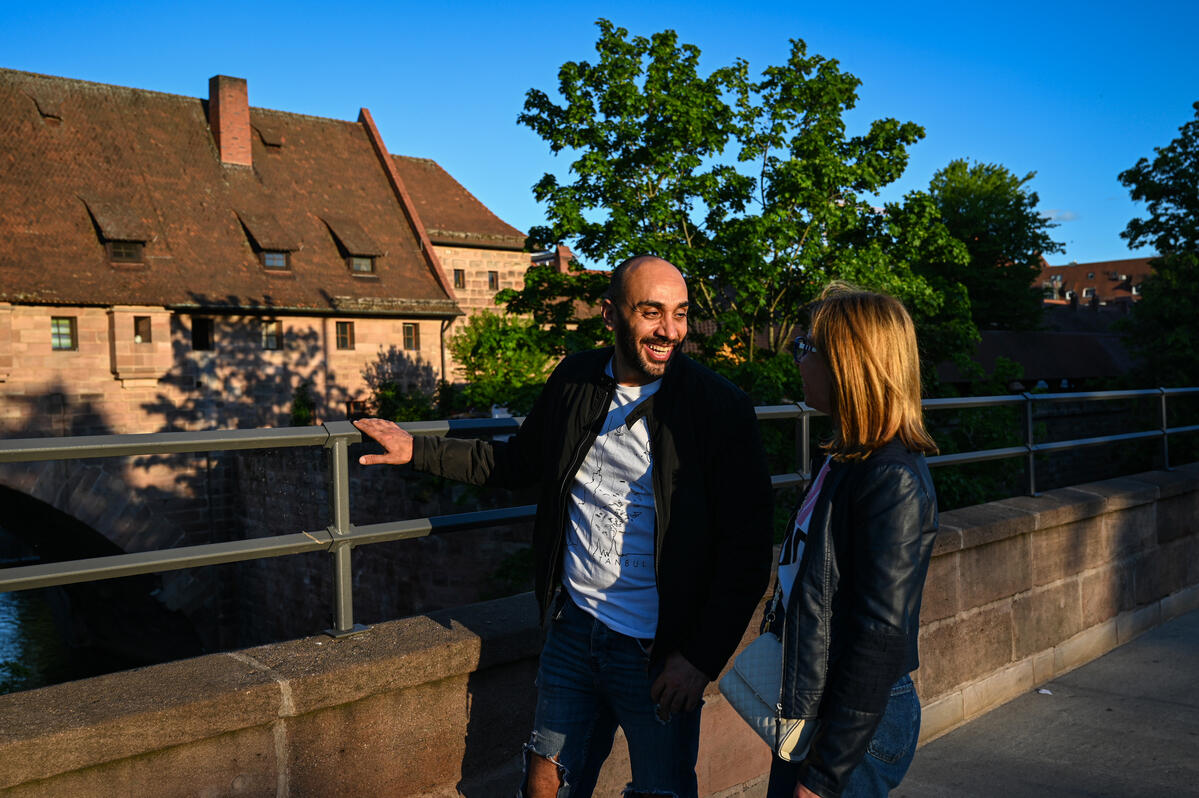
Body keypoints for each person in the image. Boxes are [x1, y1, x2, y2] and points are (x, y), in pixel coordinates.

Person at [354, 255, 774, 798]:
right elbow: (516, 464)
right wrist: (417, 450)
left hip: (659, 650)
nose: (669, 331)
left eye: (680, 313)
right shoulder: (576, 379)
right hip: (573, 631)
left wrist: (699, 659)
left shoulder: (718, 408)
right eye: (651, 313)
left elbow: (746, 549)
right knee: (545, 783)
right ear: (610, 315)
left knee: (661, 789)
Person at [766, 284, 939, 798]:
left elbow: (880, 636)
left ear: (846, 360)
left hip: (855, 722)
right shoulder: (844, 460)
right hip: (824, 703)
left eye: (803, 347)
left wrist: (823, 775)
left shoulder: (890, 478)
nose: (795, 359)